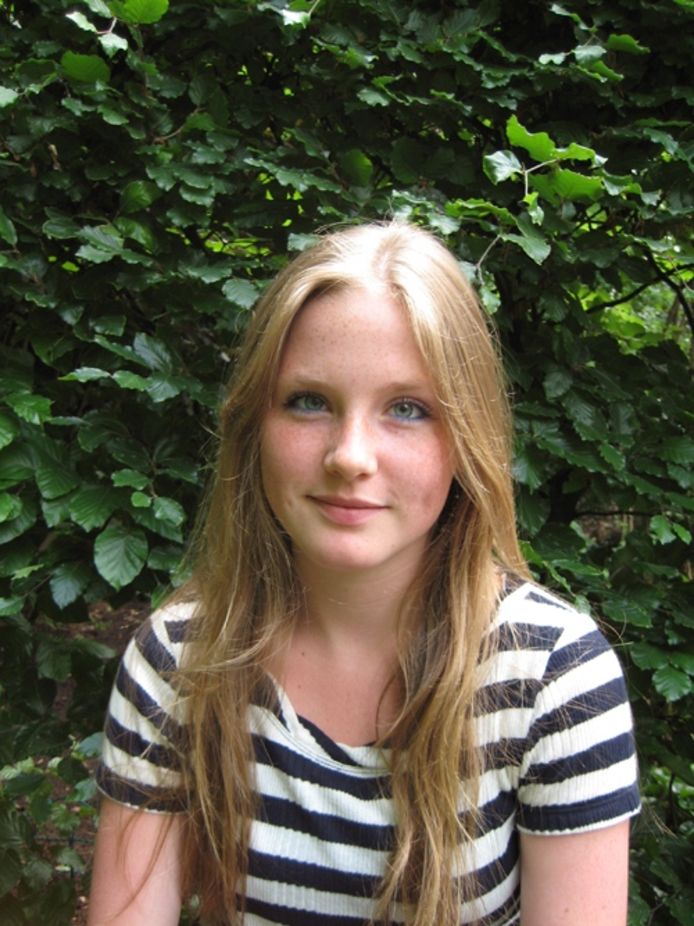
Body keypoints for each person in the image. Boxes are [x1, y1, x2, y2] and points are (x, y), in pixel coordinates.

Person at [88, 221, 640, 926]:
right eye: (309, 401)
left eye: (407, 409)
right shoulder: (177, 664)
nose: (350, 456)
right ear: (254, 425)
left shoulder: (554, 680)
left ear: (467, 437)